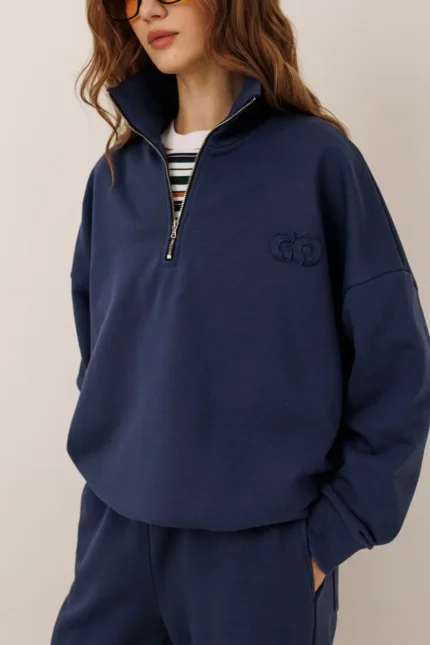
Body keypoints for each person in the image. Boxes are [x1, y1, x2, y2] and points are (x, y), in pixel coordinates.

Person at [50, 1, 430, 644]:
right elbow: (102, 356)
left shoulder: (318, 162)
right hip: (116, 545)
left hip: (259, 559)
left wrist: (328, 537)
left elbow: (396, 368)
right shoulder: (112, 180)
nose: (148, 10)